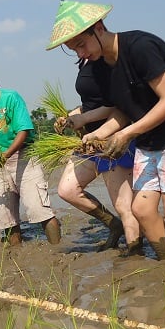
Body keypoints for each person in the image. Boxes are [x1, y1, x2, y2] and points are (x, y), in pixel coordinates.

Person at [47, 0, 165, 271]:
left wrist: (127, 134)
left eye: (81, 45)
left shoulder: (139, 48)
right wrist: (97, 134)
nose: (81, 53)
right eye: (73, 49)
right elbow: (122, 111)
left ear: (98, 28)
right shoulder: (101, 68)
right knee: (142, 211)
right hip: (150, 137)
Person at [0, 67, 61, 245]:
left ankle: (58, 252)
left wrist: (7, 154)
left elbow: (23, 131)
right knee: (5, 218)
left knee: (39, 209)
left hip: (24, 157)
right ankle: (16, 256)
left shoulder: (10, 98)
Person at [52, 59, 142, 254]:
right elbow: (92, 103)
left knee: (124, 206)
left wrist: (89, 124)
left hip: (111, 140)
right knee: (67, 190)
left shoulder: (107, 61)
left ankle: (136, 253)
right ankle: (113, 225)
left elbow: (118, 106)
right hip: (89, 142)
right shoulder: (86, 62)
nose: (76, 50)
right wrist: (71, 117)